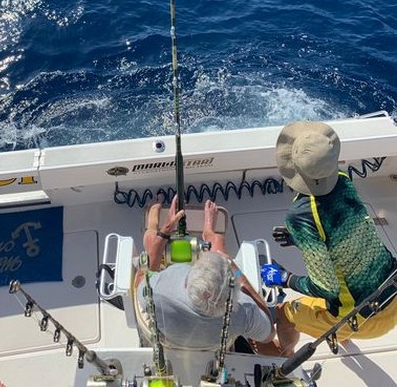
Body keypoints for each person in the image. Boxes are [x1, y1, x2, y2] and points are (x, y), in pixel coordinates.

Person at [261, 120, 397, 356]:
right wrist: (301, 239)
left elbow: (326, 288)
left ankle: (284, 355)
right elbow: (345, 235)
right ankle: (343, 336)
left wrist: (286, 279)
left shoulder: (300, 214)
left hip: (362, 318)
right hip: (392, 295)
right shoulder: (343, 180)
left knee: (284, 313)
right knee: (344, 295)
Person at [136, 196, 275, 350]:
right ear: (234, 292)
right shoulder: (244, 312)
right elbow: (269, 335)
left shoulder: (156, 293)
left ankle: (153, 220)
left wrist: (166, 229)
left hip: (170, 342)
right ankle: (209, 232)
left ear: (187, 283)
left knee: (150, 241)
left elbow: (142, 275)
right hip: (210, 347)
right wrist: (234, 269)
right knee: (218, 243)